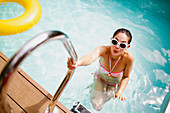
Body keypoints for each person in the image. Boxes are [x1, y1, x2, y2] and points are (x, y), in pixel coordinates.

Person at [67, 28, 134, 111]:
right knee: (97, 106)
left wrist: (120, 91)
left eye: (122, 45)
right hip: (101, 79)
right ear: (111, 40)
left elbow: (126, 77)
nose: (117, 46)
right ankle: (94, 89)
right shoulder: (103, 50)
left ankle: (93, 90)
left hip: (115, 83)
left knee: (100, 104)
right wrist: (77, 63)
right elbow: (90, 57)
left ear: (127, 47)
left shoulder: (128, 58)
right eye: (115, 42)